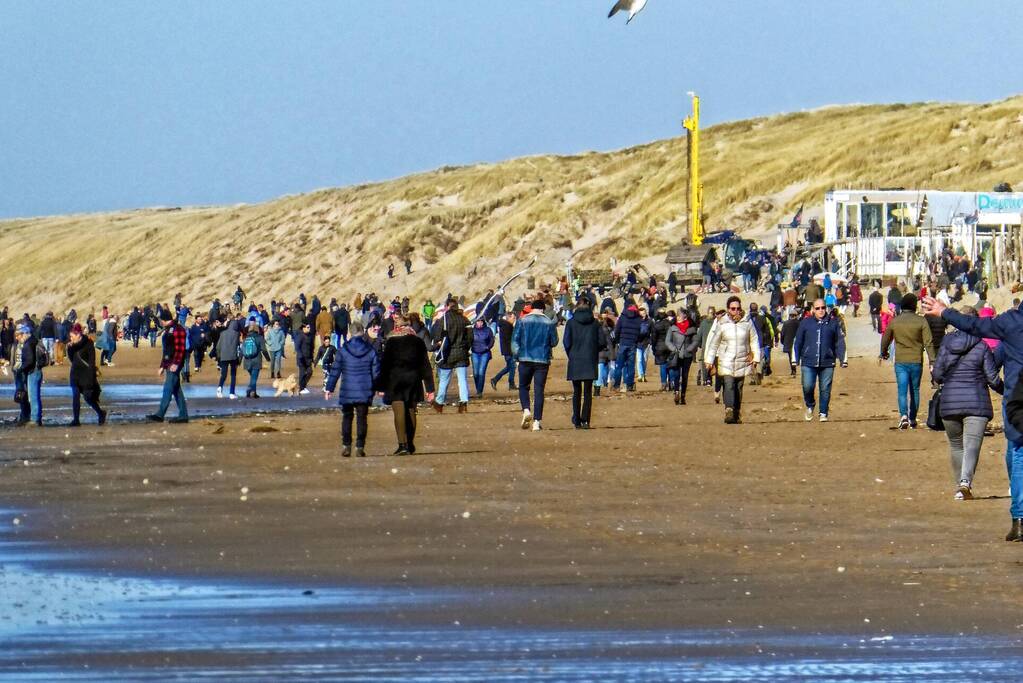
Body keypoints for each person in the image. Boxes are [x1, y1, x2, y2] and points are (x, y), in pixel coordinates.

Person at [925, 296, 1023, 539]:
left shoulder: (1011, 322)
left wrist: (945, 312)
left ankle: (1019, 519)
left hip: (1015, 398)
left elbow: (975, 326)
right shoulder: (994, 336)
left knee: (1017, 451)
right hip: (998, 398)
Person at [930, 306, 1003, 500]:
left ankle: (960, 488)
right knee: (972, 445)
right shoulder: (982, 346)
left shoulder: (946, 343)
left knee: (956, 445)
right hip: (976, 402)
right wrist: (1007, 391)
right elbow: (993, 378)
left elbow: (937, 375)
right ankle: (965, 483)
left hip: (949, 402)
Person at [378, 313, 435, 455]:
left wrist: (381, 385)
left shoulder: (391, 341)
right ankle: (410, 444)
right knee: (410, 410)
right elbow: (425, 365)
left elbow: (385, 365)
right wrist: (430, 389)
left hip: (395, 381)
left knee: (399, 411)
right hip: (413, 379)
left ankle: (402, 445)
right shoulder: (417, 341)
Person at [325, 321, 380, 458]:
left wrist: (329, 388)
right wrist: (379, 388)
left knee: (347, 417)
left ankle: (346, 446)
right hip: (364, 389)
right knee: (362, 418)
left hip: (348, 389)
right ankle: (360, 447)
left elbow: (335, 370)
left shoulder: (343, 350)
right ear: (362, 332)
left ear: (350, 333)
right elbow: (376, 372)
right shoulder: (370, 350)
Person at [880, 294, 935, 430]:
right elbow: (928, 342)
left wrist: (884, 352)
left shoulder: (895, 321)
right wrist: (932, 360)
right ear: (914, 306)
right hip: (916, 360)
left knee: (902, 389)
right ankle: (912, 418)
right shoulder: (921, 321)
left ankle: (903, 416)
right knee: (915, 390)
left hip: (901, 361)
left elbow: (886, 338)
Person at [705, 296, 760, 424]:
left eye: (738, 308)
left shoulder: (747, 322)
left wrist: (756, 357)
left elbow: (754, 340)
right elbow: (714, 343)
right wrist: (709, 360)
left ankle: (737, 412)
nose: (736, 311)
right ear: (728, 309)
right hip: (726, 360)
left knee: (738, 387)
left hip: (742, 360)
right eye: (733, 308)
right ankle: (728, 410)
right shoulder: (722, 323)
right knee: (728, 384)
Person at [793, 298, 847, 423]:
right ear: (813, 309)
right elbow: (798, 341)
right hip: (808, 361)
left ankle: (823, 412)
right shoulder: (805, 323)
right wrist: (795, 358)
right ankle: (810, 405)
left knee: (825, 388)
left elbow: (839, 341)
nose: (821, 310)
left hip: (828, 362)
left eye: (823, 307)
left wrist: (843, 359)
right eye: (817, 308)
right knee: (807, 386)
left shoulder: (833, 323)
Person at [512, 298, 559, 431]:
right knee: (539, 390)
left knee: (523, 387)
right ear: (543, 309)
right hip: (542, 360)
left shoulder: (522, 321)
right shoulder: (549, 323)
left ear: (531, 308)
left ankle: (526, 409)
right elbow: (554, 341)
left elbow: (515, 341)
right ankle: (537, 422)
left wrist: (517, 356)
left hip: (525, 358)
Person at [563, 298, 601, 429]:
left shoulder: (571, 322)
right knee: (588, 392)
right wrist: (593, 351)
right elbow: (601, 342)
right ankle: (585, 420)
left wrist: (571, 354)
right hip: (590, 358)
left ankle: (577, 419)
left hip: (575, 358)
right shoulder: (595, 323)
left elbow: (566, 342)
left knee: (577, 392)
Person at [146, 309, 188, 423]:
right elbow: (167, 351)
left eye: (160, 320)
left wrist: (176, 363)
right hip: (169, 363)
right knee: (176, 390)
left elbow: (180, 348)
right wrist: (162, 366)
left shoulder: (177, 329)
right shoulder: (168, 329)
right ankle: (183, 415)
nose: (160, 322)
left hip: (174, 364)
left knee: (168, 388)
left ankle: (160, 414)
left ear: (164, 320)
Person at [432, 301, 471, 413]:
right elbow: (470, 337)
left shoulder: (443, 320)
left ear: (447, 307)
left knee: (444, 380)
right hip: (461, 353)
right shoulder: (464, 319)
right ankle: (463, 402)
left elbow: (437, 337)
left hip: (447, 354)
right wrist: (465, 347)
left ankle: (439, 403)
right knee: (462, 380)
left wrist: (438, 346)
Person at [66, 323, 106, 426]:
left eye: (72, 336)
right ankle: (76, 420)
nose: (71, 339)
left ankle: (100, 413)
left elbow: (92, 362)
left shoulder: (88, 344)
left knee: (88, 398)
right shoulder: (72, 346)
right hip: (75, 374)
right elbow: (71, 358)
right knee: (75, 396)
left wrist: (91, 378)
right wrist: (70, 348)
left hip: (86, 375)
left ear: (78, 335)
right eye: (70, 336)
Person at [665, 308, 699, 405]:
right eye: (677, 315)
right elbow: (667, 341)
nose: (678, 317)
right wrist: (673, 349)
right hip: (676, 354)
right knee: (676, 374)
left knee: (685, 375)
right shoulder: (673, 327)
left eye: (680, 315)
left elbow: (696, 341)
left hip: (687, 355)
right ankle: (676, 392)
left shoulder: (691, 328)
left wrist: (689, 349)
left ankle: (683, 395)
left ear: (685, 316)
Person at [11, 323, 43, 426]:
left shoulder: (29, 343)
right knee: (23, 395)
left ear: (24, 333)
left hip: (29, 371)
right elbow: (14, 357)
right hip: (21, 372)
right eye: (15, 335)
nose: (16, 337)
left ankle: (34, 418)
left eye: (18, 335)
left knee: (32, 396)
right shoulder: (21, 343)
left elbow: (30, 360)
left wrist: (21, 369)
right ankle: (25, 416)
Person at [612, 304, 644, 392]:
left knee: (619, 365)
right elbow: (641, 332)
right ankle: (629, 385)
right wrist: (637, 340)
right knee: (631, 366)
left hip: (622, 343)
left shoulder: (623, 317)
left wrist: (617, 341)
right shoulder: (639, 319)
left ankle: (616, 385)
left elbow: (617, 330)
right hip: (632, 344)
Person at [241, 321, 271, 399]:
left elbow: (242, 350)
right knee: (254, 378)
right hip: (256, 360)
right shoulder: (260, 338)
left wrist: (239, 361)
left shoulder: (245, 338)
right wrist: (268, 358)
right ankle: (252, 392)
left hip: (247, 361)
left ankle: (251, 391)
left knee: (252, 377)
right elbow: (264, 350)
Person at [490, 311, 517, 391]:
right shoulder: (507, 326)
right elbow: (510, 340)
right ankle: (499, 380)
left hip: (507, 350)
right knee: (511, 366)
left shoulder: (505, 325)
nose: (514, 320)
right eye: (513, 318)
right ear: (508, 317)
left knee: (510, 367)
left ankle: (498, 380)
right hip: (509, 350)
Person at [216, 319, 242, 399]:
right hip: (233, 356)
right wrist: (239, 359)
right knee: (233, 375)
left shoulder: (222, 333)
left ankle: (219, 388)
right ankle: (231, 393)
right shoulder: (237, 334)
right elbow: (238, 346)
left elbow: (218, 346)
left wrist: (219, 356)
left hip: (223, 356)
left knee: (223, 374)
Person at [470, 318, 495, 397]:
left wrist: (488, 347)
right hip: (475, 352)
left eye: (481, 321)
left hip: (485, 353)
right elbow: (468, 340)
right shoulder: (472, 331)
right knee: (475, 373)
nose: (479, 323)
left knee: (481, 372)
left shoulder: (488, 330)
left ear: (483, 322)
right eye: (478, 321)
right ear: (476, 322)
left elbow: (492, 340)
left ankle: (479, 391)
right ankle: (478, 389)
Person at [295, 321, 315, 395]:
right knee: (302, 373)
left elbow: (312, 347)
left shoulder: (310, 336)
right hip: (301, 358)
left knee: (310, 372)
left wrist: (312, 358)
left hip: (308, 358)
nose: (309, 329)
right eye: (308, 327)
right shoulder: (300, 336)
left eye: (309, 327)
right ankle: (301, 388)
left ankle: (303, 386)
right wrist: (300, 355)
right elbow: (297, 347)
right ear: (303, 328)